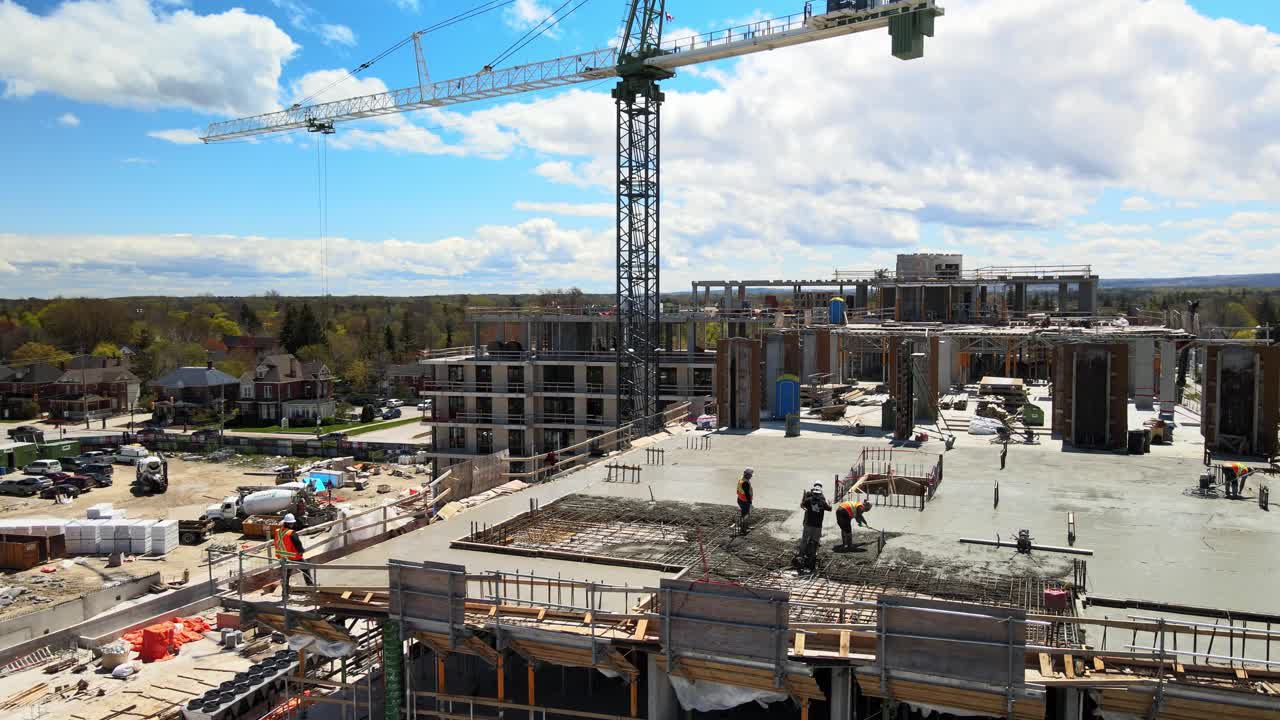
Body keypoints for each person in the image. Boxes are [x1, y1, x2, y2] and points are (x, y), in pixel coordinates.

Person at [273, 514, 314, 590]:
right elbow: (297, 544)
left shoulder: (277, 531)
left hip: (282, 557)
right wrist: (301, 551)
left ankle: (285, 590)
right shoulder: (291, 533)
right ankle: (310, 585)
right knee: (305, 568)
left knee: (286, 574)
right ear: (291, 523)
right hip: (293, 557)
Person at [798, 482, 832, 559]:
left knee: (804, 539)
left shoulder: (808, 500)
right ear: (820, 493)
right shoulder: (822, 502)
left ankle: (801, 555)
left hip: (808, 524)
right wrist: (830, 503)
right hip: (818, 525)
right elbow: (830, 509)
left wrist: (803, 499)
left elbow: (802, 505)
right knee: (815, 541)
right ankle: (813, 555)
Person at [736, 468, 754, 533]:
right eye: (750, 475)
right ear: (747, 475)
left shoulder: (741, 479)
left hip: (740, 499)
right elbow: (747, 494)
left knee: (744, 514)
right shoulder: (745, 483)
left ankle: (745, 526)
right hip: (744, 501)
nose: (751, 476)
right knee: (746, 515)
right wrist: (750, 503)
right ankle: (743, 529)